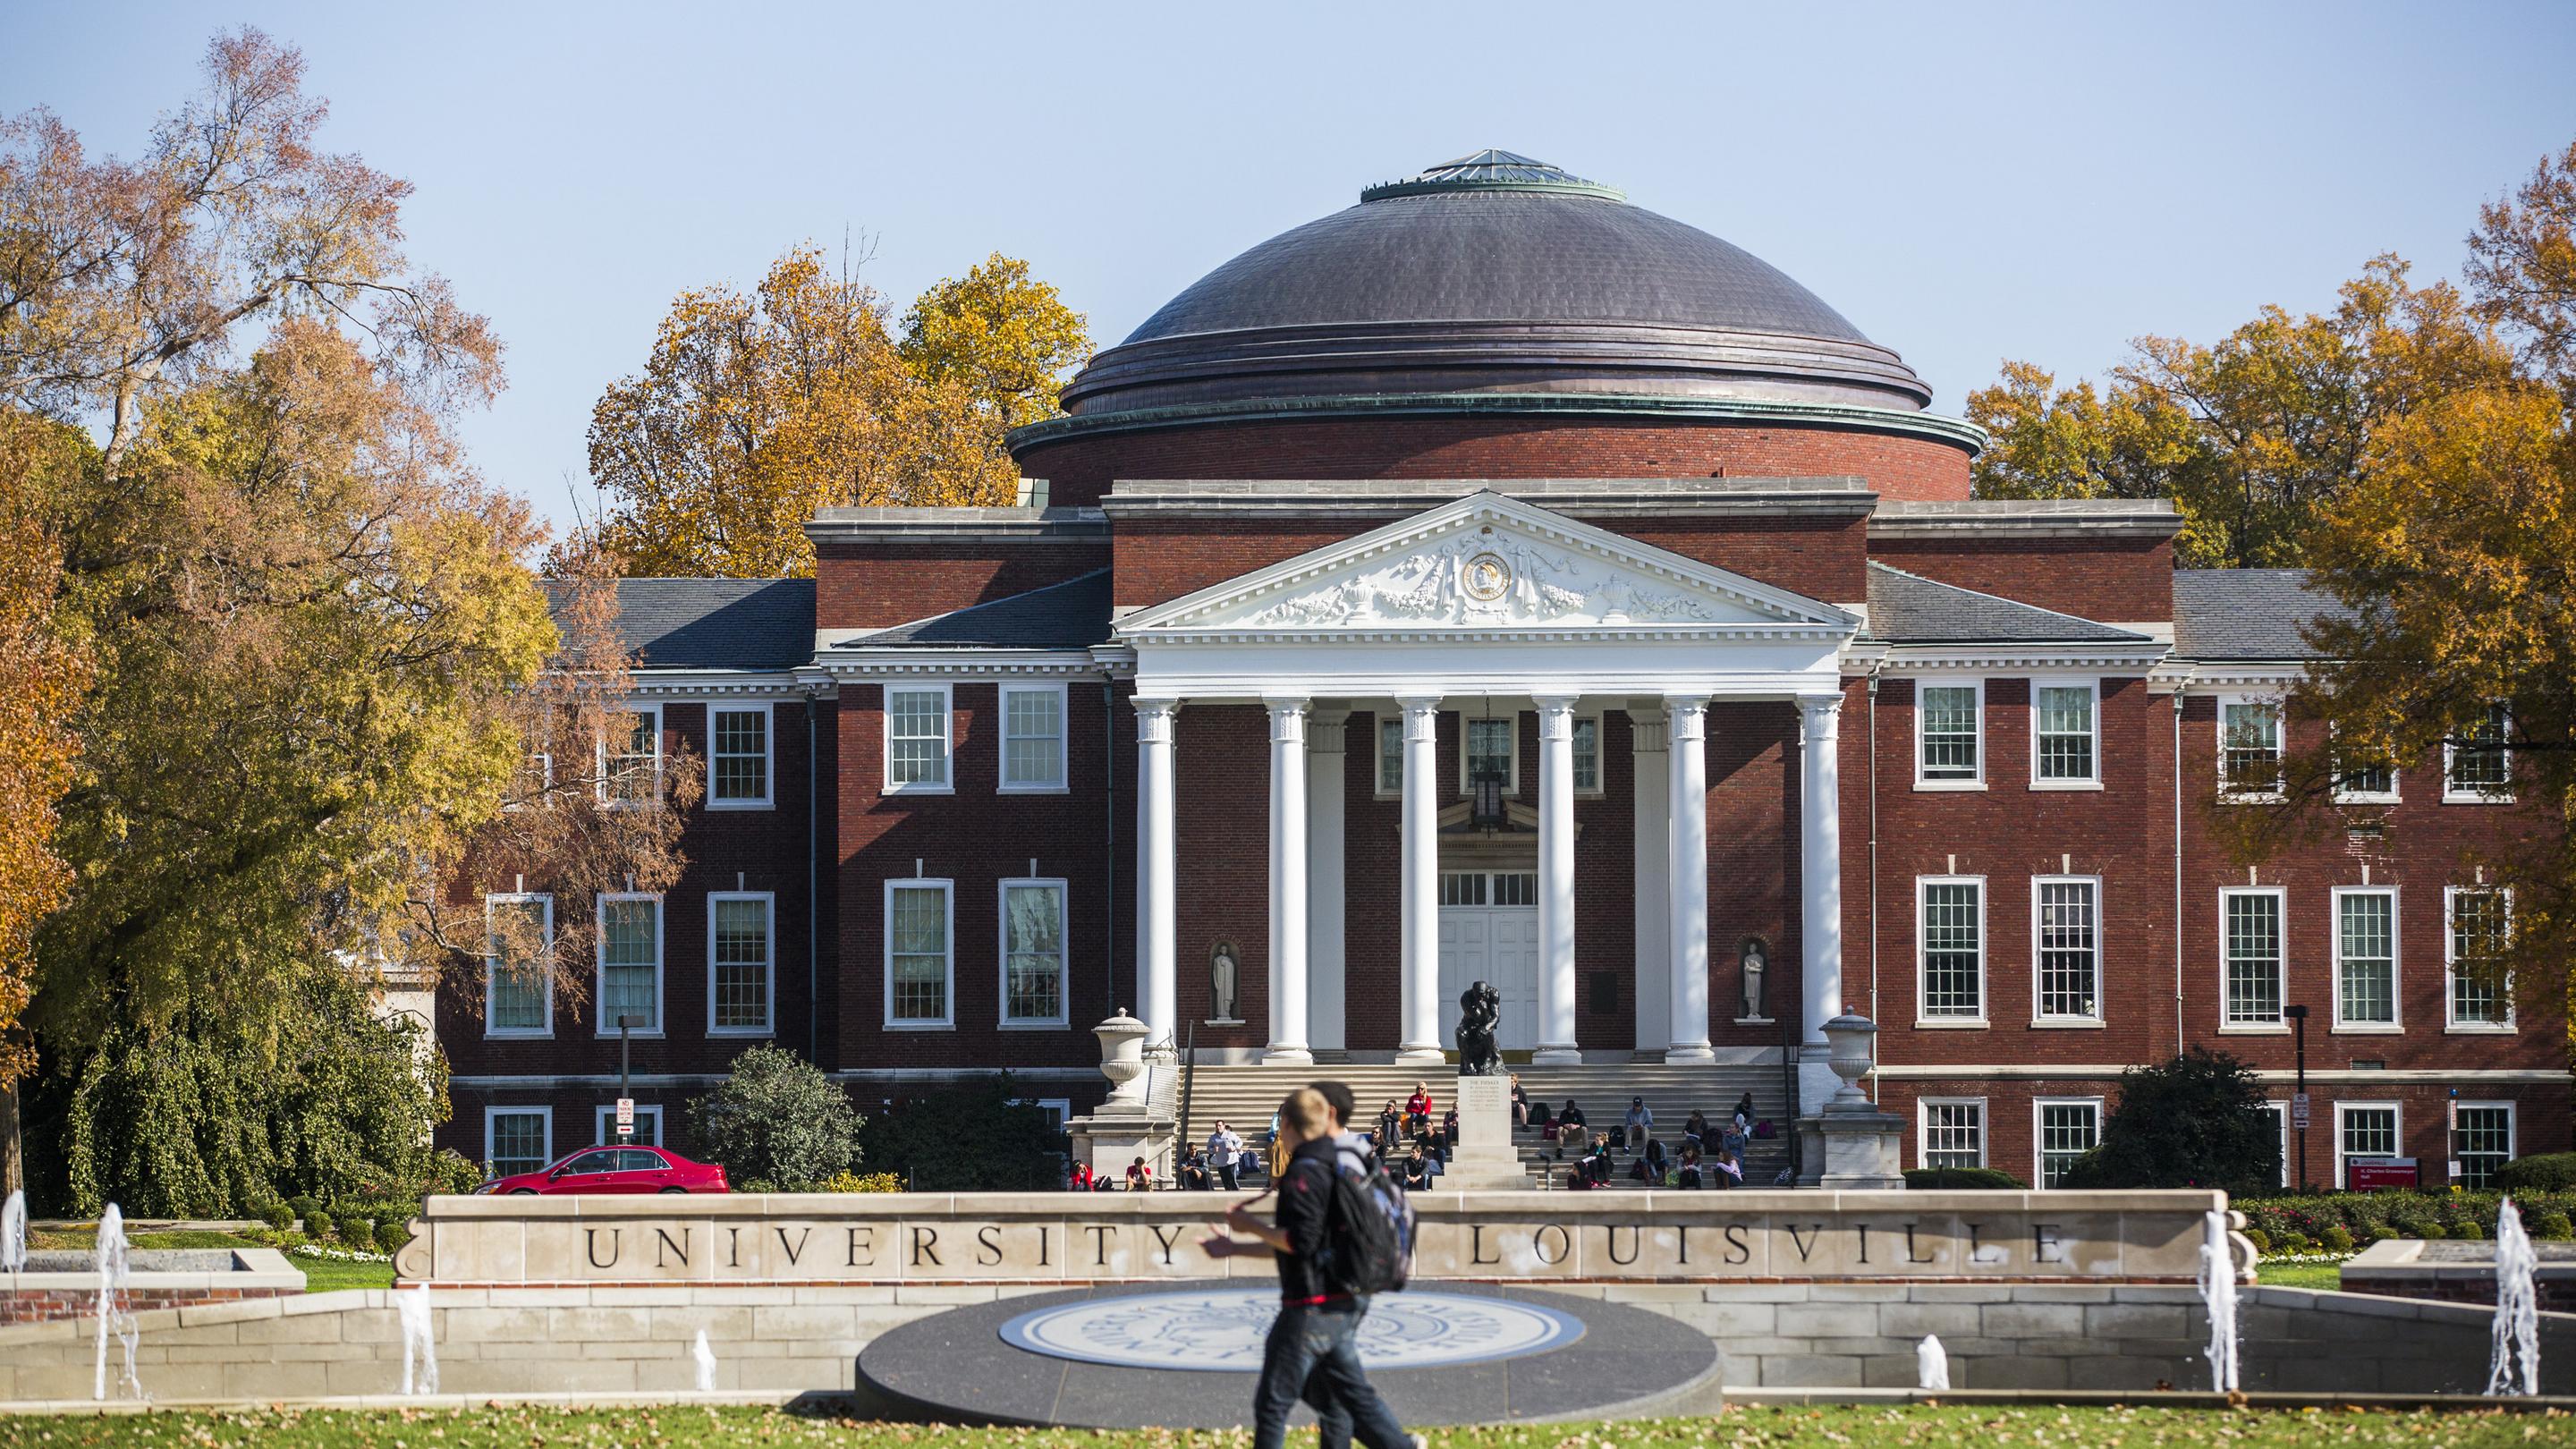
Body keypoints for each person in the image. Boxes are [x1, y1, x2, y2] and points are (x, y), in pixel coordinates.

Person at [1199, 1088, 1417, 1449]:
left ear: (1287, 1123)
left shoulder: (1305, 1171)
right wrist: (1235, 1247)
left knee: (1273, 1403)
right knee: (1341, 1399)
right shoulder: (1336, 1161)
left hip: (1312, 1303)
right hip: (1343, 1295)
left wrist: (1247, 1225)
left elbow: (1300, 1242)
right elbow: (1306, 1244)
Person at [1208, 1121, 1246, 1191]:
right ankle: (1228, 1196)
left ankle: (1238, 1195)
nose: (1218, 1127)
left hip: (1231, 1161)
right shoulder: (1213, 1137)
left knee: (1232, 1180)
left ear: (1224, 1126)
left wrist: (1234, 1148)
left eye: (1220, 1125)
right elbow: (1208, 1149)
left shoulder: (1230, 1134)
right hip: (1221, 1163)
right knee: (1225, 1182)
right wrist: (1213, 1149)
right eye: (1216, 1126)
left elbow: (1240, 1142)